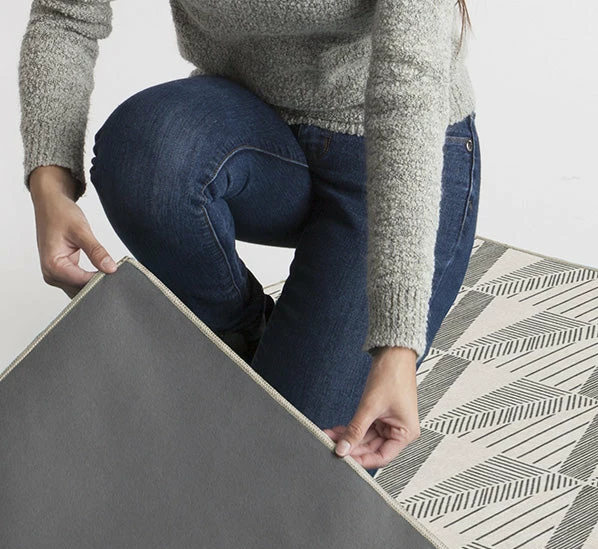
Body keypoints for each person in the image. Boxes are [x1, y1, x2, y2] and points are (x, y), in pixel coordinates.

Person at [18, 0, 480, 479]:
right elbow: (66, 14)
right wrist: (49, 187)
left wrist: (397, 344)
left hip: (400, 152)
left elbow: (408, 84)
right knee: (146, 153)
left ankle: (290, 361)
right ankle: (246, 335)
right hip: (254, 130)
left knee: (285, 466)